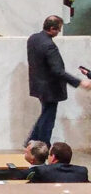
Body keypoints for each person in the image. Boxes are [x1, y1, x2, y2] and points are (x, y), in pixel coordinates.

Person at [26, 15, 91, 144]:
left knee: (45, 114)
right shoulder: (49, 45)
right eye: (59, 29)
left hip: (38, 85)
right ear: (52, 28)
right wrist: (79, 82)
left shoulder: (33, 38)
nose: (60, 31)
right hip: (50, 88)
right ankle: (42, 145)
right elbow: (57, 71)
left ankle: (32, 141)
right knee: (48, 119)